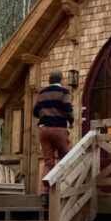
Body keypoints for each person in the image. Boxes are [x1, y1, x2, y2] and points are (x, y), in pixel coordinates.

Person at [33, 71, 74, 208]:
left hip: (43, 130)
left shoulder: (42, 93)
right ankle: (65, 188)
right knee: (66, 159)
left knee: (48, 162)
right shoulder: (64, 91)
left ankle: (44, 194)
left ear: (49, 80)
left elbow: (35, 111)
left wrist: (45, 117)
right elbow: (68, 108)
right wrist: (71, 120)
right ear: (61, 80)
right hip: (58, 129)